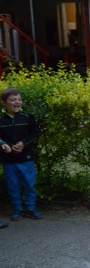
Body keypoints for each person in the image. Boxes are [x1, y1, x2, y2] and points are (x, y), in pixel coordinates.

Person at [0, 88, 41, 222]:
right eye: (12, 100)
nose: (17, 102)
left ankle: (31, 208)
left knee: (29, 184)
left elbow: (34, 134)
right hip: (8, 160)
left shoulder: (28, 117)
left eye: (19, 99)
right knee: (13, 186)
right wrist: (3, 144)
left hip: (26, 158)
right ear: (4, 103)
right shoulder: (1, 120)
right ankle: (17, 210)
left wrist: (23, 143)